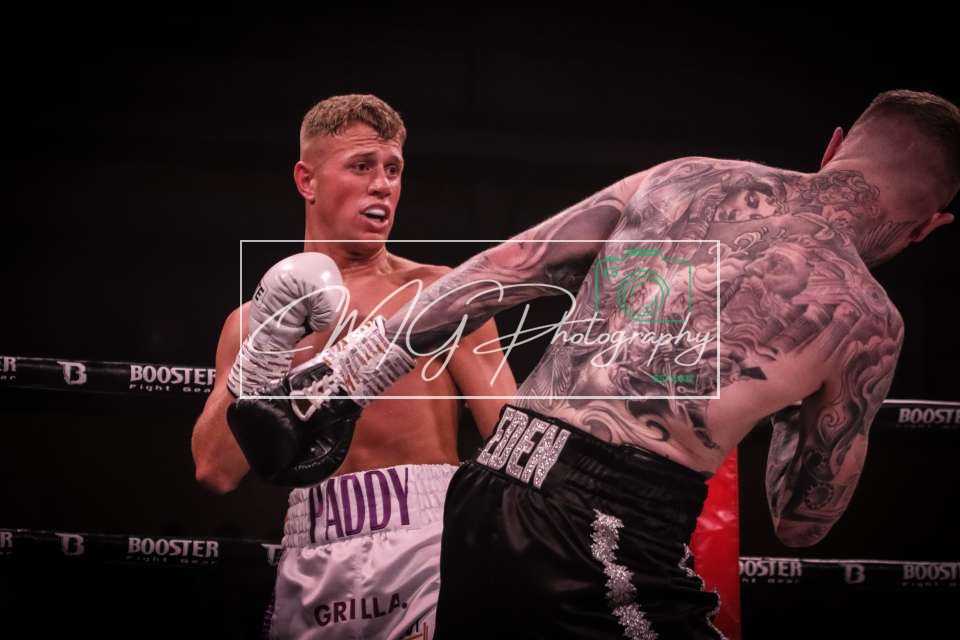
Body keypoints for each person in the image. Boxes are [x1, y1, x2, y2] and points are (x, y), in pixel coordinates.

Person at [245, 89, 958, 638]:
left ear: (835, 146)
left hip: (489, 486)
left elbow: (509, 267)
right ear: (930, 226)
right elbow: (802, 521)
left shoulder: (687, 176)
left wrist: (350, 376)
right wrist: (794, 411)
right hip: (609, 527)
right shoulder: (869, 323)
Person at [191, 94, 516, 639]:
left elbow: (515, 441)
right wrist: (268, 338)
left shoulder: (441, 294)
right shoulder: (249, 323)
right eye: (362, 166)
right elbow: (215, 471)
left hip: (427, 545)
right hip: (310, 552)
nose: (382, 185)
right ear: (307, 180)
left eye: (393, 169)